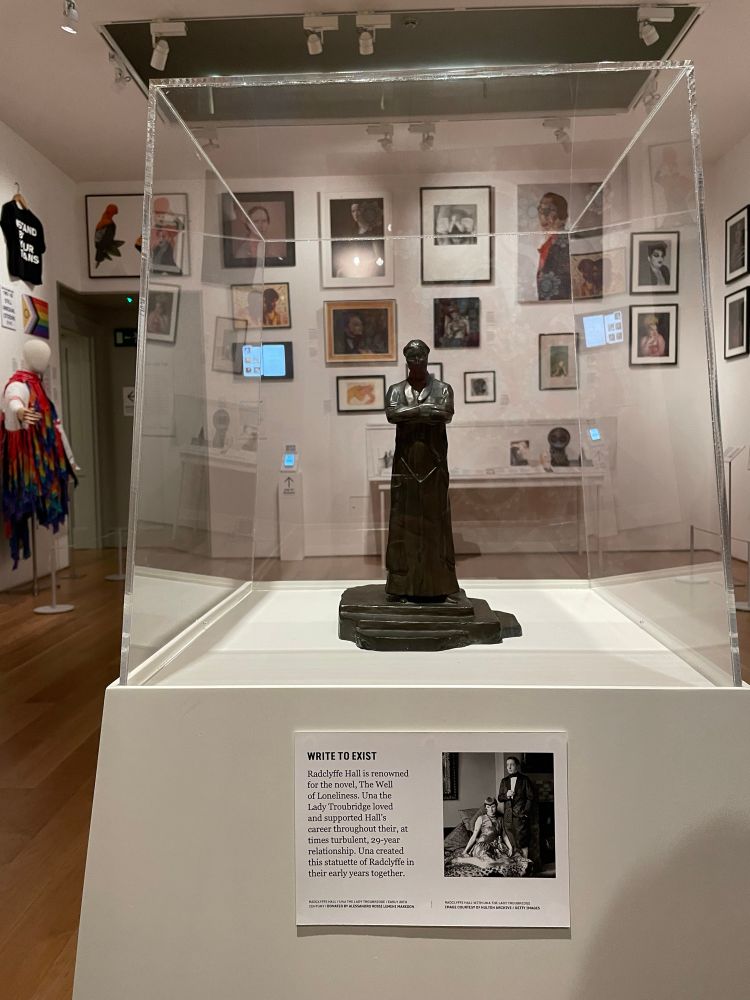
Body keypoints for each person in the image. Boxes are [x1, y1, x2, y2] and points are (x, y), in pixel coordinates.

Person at [384, 340, 459, 599]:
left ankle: (440, 584)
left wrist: (412, 413)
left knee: (436, 523)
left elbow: (445, 413)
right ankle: (401, 585)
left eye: (421, 357)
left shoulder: (443, 388)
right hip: (405, 466)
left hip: (434, 466)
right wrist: (424, 409)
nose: (417, 361)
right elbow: (393, 415)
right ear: (406, 360)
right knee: (403, 522)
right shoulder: (395, 390)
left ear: (427, 358)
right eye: (412, 357)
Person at [497, 756, 535, 859]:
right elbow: (500, 798)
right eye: (507, 765)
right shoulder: (504, 781)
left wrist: (525, 812)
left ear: (517, 766)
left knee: (522, 842)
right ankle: (517, 868)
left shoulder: (524, 780)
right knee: (511, 843)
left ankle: (526, 867)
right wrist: (507, 795)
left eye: (512, 764)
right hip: (508, 817)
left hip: (521, 816)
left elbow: (531, 797)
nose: (509, 767)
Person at [536, 192, 571, 301]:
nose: (543, 215)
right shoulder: (548, 243)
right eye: (540, 210)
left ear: (562, 215)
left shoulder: (565, 243)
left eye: (547, 210)